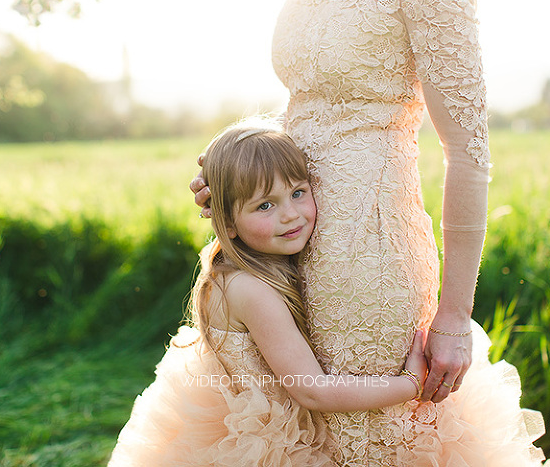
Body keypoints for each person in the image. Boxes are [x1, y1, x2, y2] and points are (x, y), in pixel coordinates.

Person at [191, 0, 550, 464]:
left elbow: (469, 153)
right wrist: (237, 167)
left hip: (369, 246)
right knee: (295, 428)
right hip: (287, 235)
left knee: (371, 437)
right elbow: (314, 101)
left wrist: (453, 317)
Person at [108, 119, 431, 466]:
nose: (290, 215)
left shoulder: (248, 268)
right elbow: (312, 390)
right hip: (264, 446)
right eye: (265, 205)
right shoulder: (250, 289)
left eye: (297, 193)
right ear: (227, 223)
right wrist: (410, 385)